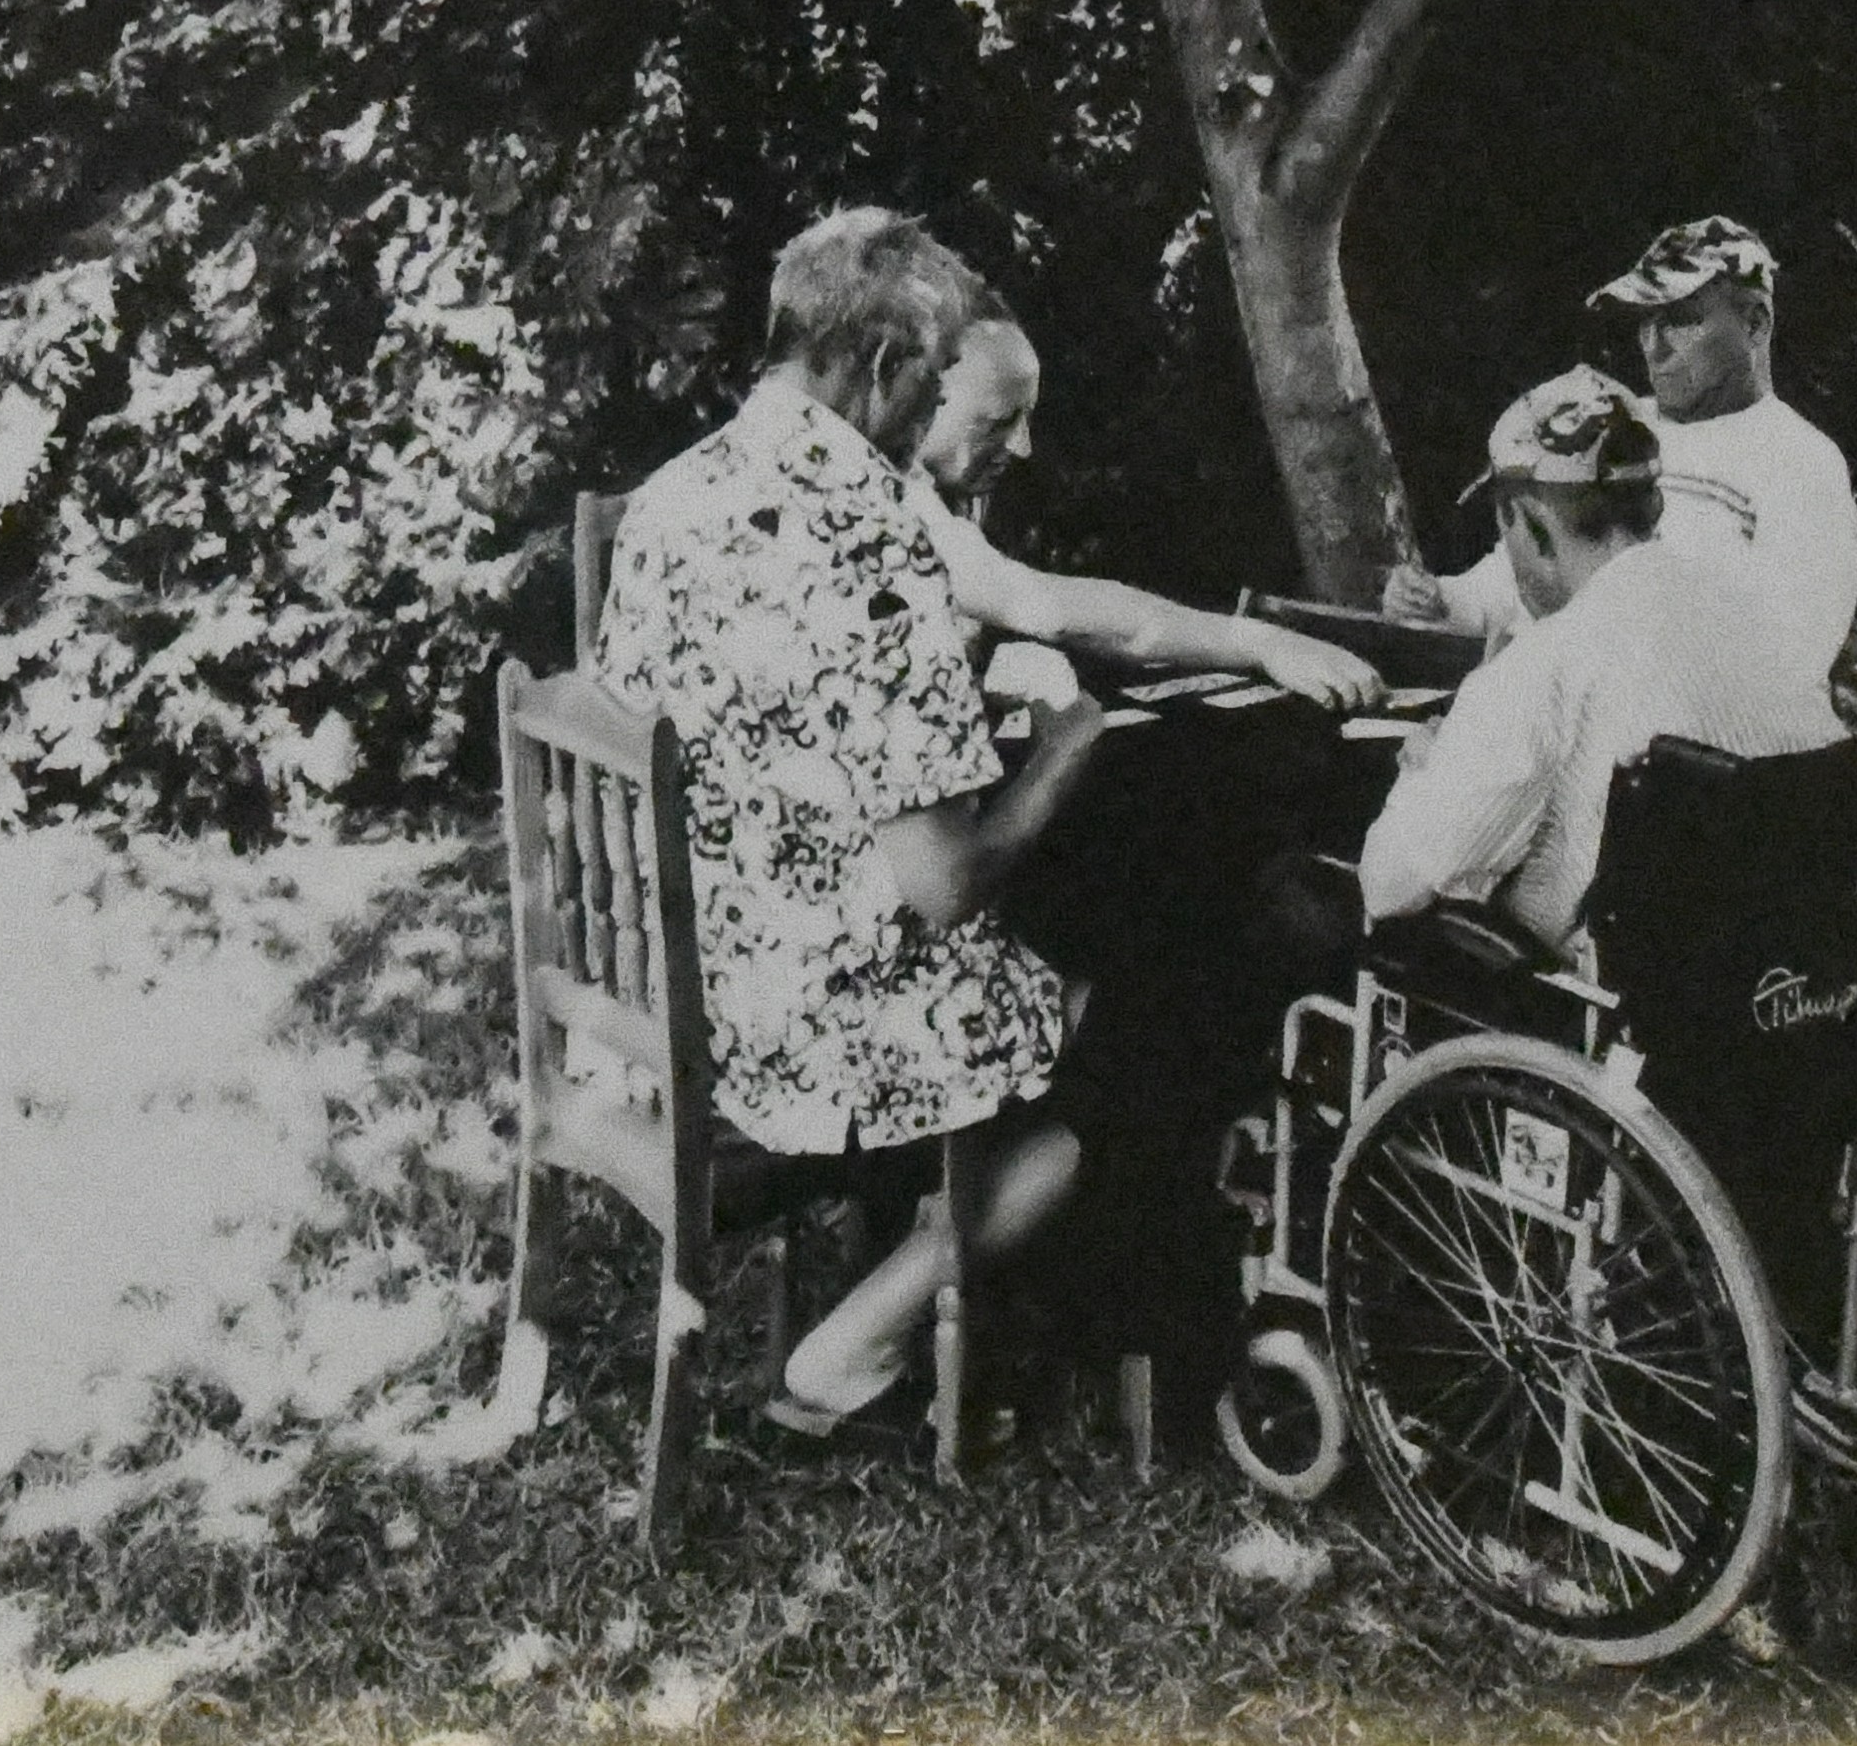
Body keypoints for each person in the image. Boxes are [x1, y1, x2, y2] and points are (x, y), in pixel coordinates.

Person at [593, 206, 1093, 1448]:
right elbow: (944, 880)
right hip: (785, 1027)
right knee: (1086, 1088)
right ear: (879, 365)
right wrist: (1064, 757)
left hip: (674, 978)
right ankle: (842, 1356)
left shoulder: (672, 496)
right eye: (930, 381)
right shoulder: (868, 542)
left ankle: (911, 1270)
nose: (930, 418)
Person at [1355, 367, 1847, 951]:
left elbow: (1386, 888)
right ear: (1654, 506)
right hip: (1790, 960)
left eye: (1505, 530)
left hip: (1624, 994)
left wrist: (1423, 770)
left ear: (1534, 528)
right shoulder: (1753, 621)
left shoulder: (1545, 667)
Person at [1386, 215, 1857, 682]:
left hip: (1664, 728)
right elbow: (1526, 568)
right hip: (1542, 697)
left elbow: (1795, 657)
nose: (1653, 347)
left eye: (1681, 321)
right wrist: (1442, 603)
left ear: (1755, 324)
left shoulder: (1800, 461)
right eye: (1645, 323)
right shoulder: (1614, 423)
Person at [907, 311, 1388, 714]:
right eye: (998, 421)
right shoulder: (891, 491)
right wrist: (1265, 644)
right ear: (924, 396)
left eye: (1026, 418)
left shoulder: (951, 483)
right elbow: (1046, 608)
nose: (1023, 446)